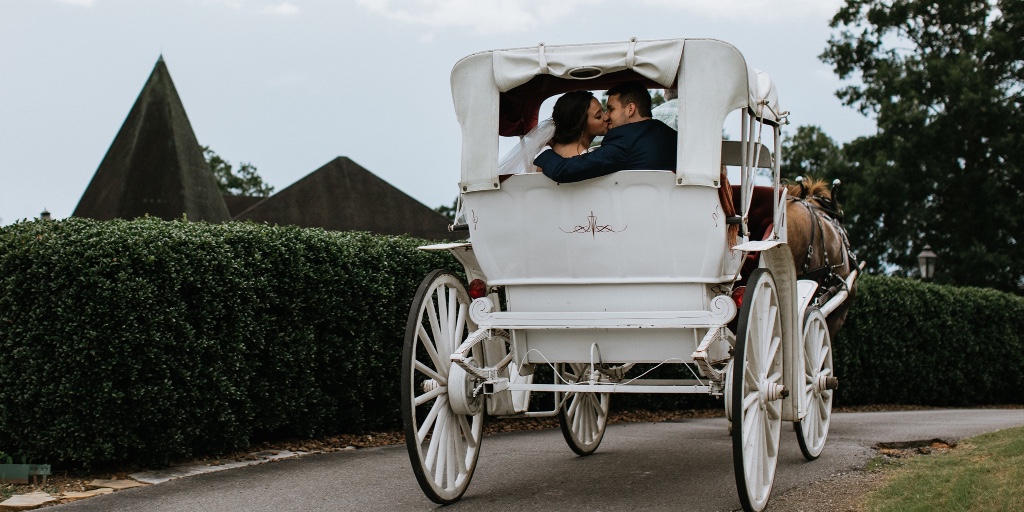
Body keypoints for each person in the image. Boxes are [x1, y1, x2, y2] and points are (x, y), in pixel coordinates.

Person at [534, 81, 677, 183]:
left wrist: (543, 149)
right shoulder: (669, 134)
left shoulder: (623, 139)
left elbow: (563, 171)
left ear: (630, 109)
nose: (607, 116)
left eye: (611, 109)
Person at [497, 90, 608, 175]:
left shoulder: (555, 148)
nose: (606, 117)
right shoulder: (575, 156)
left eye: (603, 110)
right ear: (580, 124)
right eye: (598, 116)